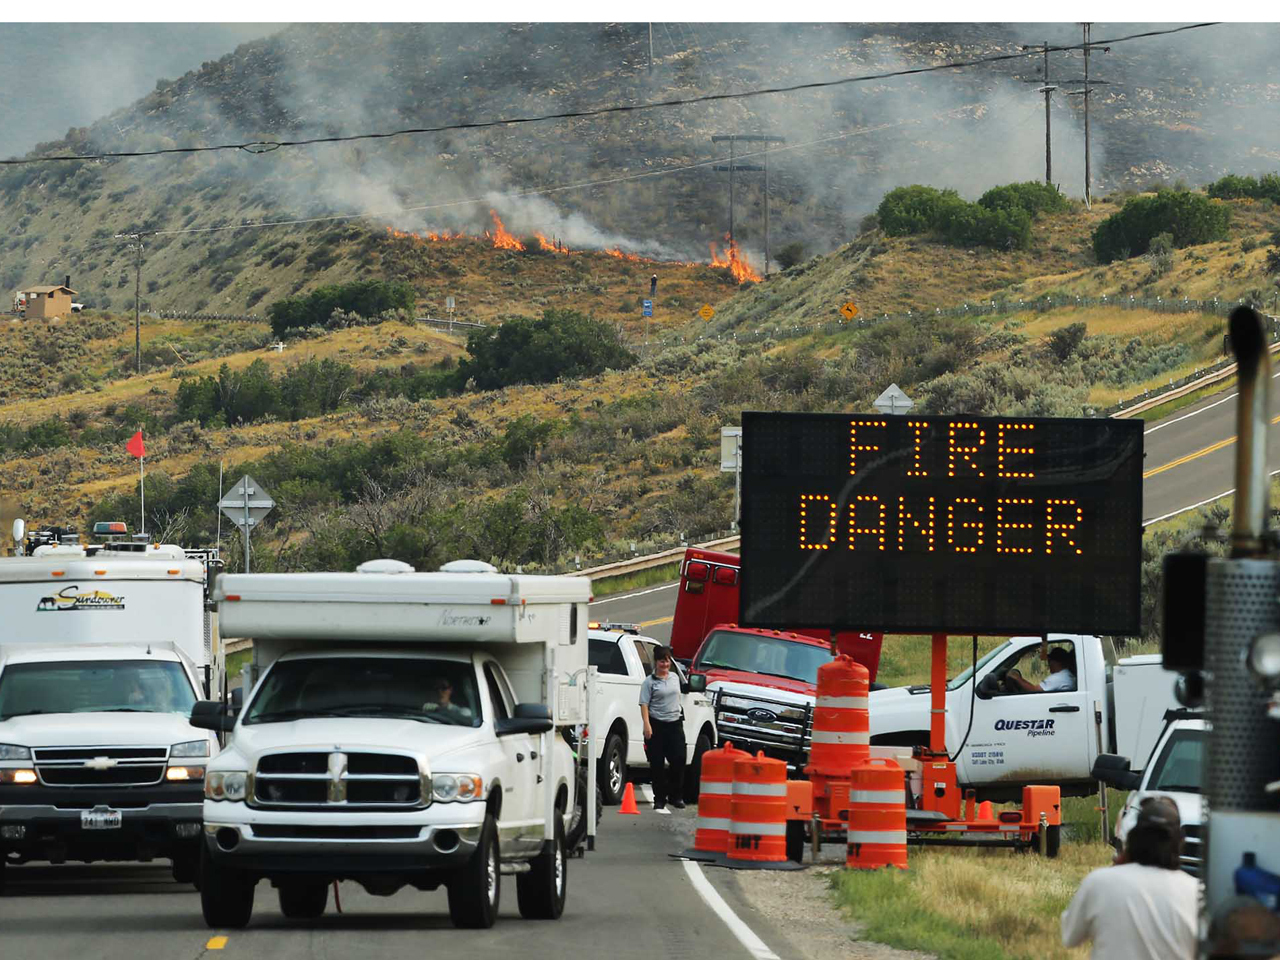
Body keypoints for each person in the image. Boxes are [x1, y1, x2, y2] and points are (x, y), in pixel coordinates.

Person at [1061, 796, 1198, 959]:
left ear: (1132, 839)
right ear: (1180, 843)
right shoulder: (1197, 893)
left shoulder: (1099, 882)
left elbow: (1070, 936)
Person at [639, 645, 686, 812]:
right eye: (661, 661)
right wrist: (647, 724)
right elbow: (644, 704)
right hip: (656, 725)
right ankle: (659, 799)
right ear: (656, 662)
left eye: (667, 661)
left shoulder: (675, 677)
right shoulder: (649, 682)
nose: (664, 664)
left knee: (679, 760)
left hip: (675, 724)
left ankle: (676, 796)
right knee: (657, 764)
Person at [1006, 646, 1076, 693]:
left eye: (1050, 661)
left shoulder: (1059, 678)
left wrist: (1017, 678)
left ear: (1056, 662)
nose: (1048, 665)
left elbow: (1034, 690)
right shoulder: (1067, 675)